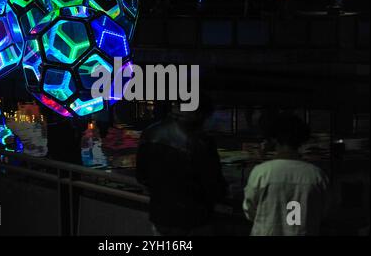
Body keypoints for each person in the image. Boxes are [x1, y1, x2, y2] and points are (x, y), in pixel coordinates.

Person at [136, 96, 227, 236]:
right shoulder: (201, 142)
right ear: (200, 114)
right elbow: (213, 186)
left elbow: (142, 177)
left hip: (160, 217)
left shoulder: (150, 132)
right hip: (193, 220)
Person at [243, 112, 330, 236]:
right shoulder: (316, 175)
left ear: (274, 139)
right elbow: (323, 212)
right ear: (302, 140)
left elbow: (250, 210)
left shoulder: (261, 172)